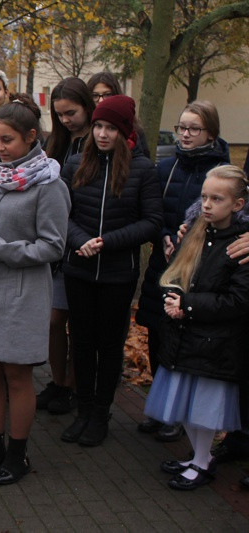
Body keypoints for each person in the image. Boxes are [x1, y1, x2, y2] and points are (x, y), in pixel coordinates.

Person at [0, 98, 70, 485]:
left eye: (8, 141)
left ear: (31, 137)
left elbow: (53, 247)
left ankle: (18, 454)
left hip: (21, 293)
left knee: (17, 376)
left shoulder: (49, 184)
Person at [60, 95, 162, 447]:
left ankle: (101, 413)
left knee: (109, 344)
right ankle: (83, 410)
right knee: (82, 343)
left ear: (125, 131)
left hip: (118, 273)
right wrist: (80, 241)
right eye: (99, 126)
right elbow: (63, 216)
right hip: (79, 268)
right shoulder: (75, 164)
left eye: (111, 128)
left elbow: (152, 222)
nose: (103, 134)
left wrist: (109, 241)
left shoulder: (143, 170)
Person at [144, 165, 249, 490]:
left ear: (237, 205)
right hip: (186, 339)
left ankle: (203, 461)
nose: (206, 204)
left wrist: (187, 307)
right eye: (204, 197)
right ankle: (197, 456)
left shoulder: (239, 248)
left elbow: (236, 301)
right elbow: (174, 274)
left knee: (204, 410)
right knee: (187, 408)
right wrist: (173, 297)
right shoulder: (194, 233)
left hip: (214, 344)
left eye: (216, 199)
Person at [135, 100, 230, 442]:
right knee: (158, 332)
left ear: (211, 132)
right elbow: (154, 211)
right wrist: (161, 236)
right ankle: (161, 408)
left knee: (185, 341)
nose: (186, 135)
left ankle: (181, 415)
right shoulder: (166, 168)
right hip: (165, 265)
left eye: (194, 129)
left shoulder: (221, 170)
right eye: (182, 128)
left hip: (200, 272)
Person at [37, 78, 97, 416]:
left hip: (85, 239)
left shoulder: (98, 141)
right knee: (54, 319)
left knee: (79, 320)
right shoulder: (56, 143)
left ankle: (75, 384)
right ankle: (58, 381)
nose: (65, 120)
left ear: (87, 107)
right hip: (56, 243)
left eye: (70, 113)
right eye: (59, 115)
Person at [86, 72, 151, 158]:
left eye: (107, 95)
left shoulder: (134, 129)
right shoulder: (84, 125)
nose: (101, 100)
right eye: (95, 95)